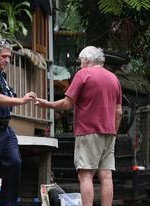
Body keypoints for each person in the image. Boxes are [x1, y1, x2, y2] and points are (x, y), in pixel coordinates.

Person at [35, 46, 122, 206]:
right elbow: (119, 111)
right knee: (106, 175)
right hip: (109, 132)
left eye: (81, 61)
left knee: (86, 175)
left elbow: (67, 103)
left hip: (88, 131)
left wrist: (47, 104)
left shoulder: (83, 74)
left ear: (87, 60)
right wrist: (114, 132)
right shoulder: (113, 78)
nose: (80, 65)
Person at [0, 39, 36, 206]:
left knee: (15, 162)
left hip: (6, 129)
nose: (7, 60)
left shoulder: (0, 74)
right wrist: (21, 100)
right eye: (4, 57)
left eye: (9, 57)